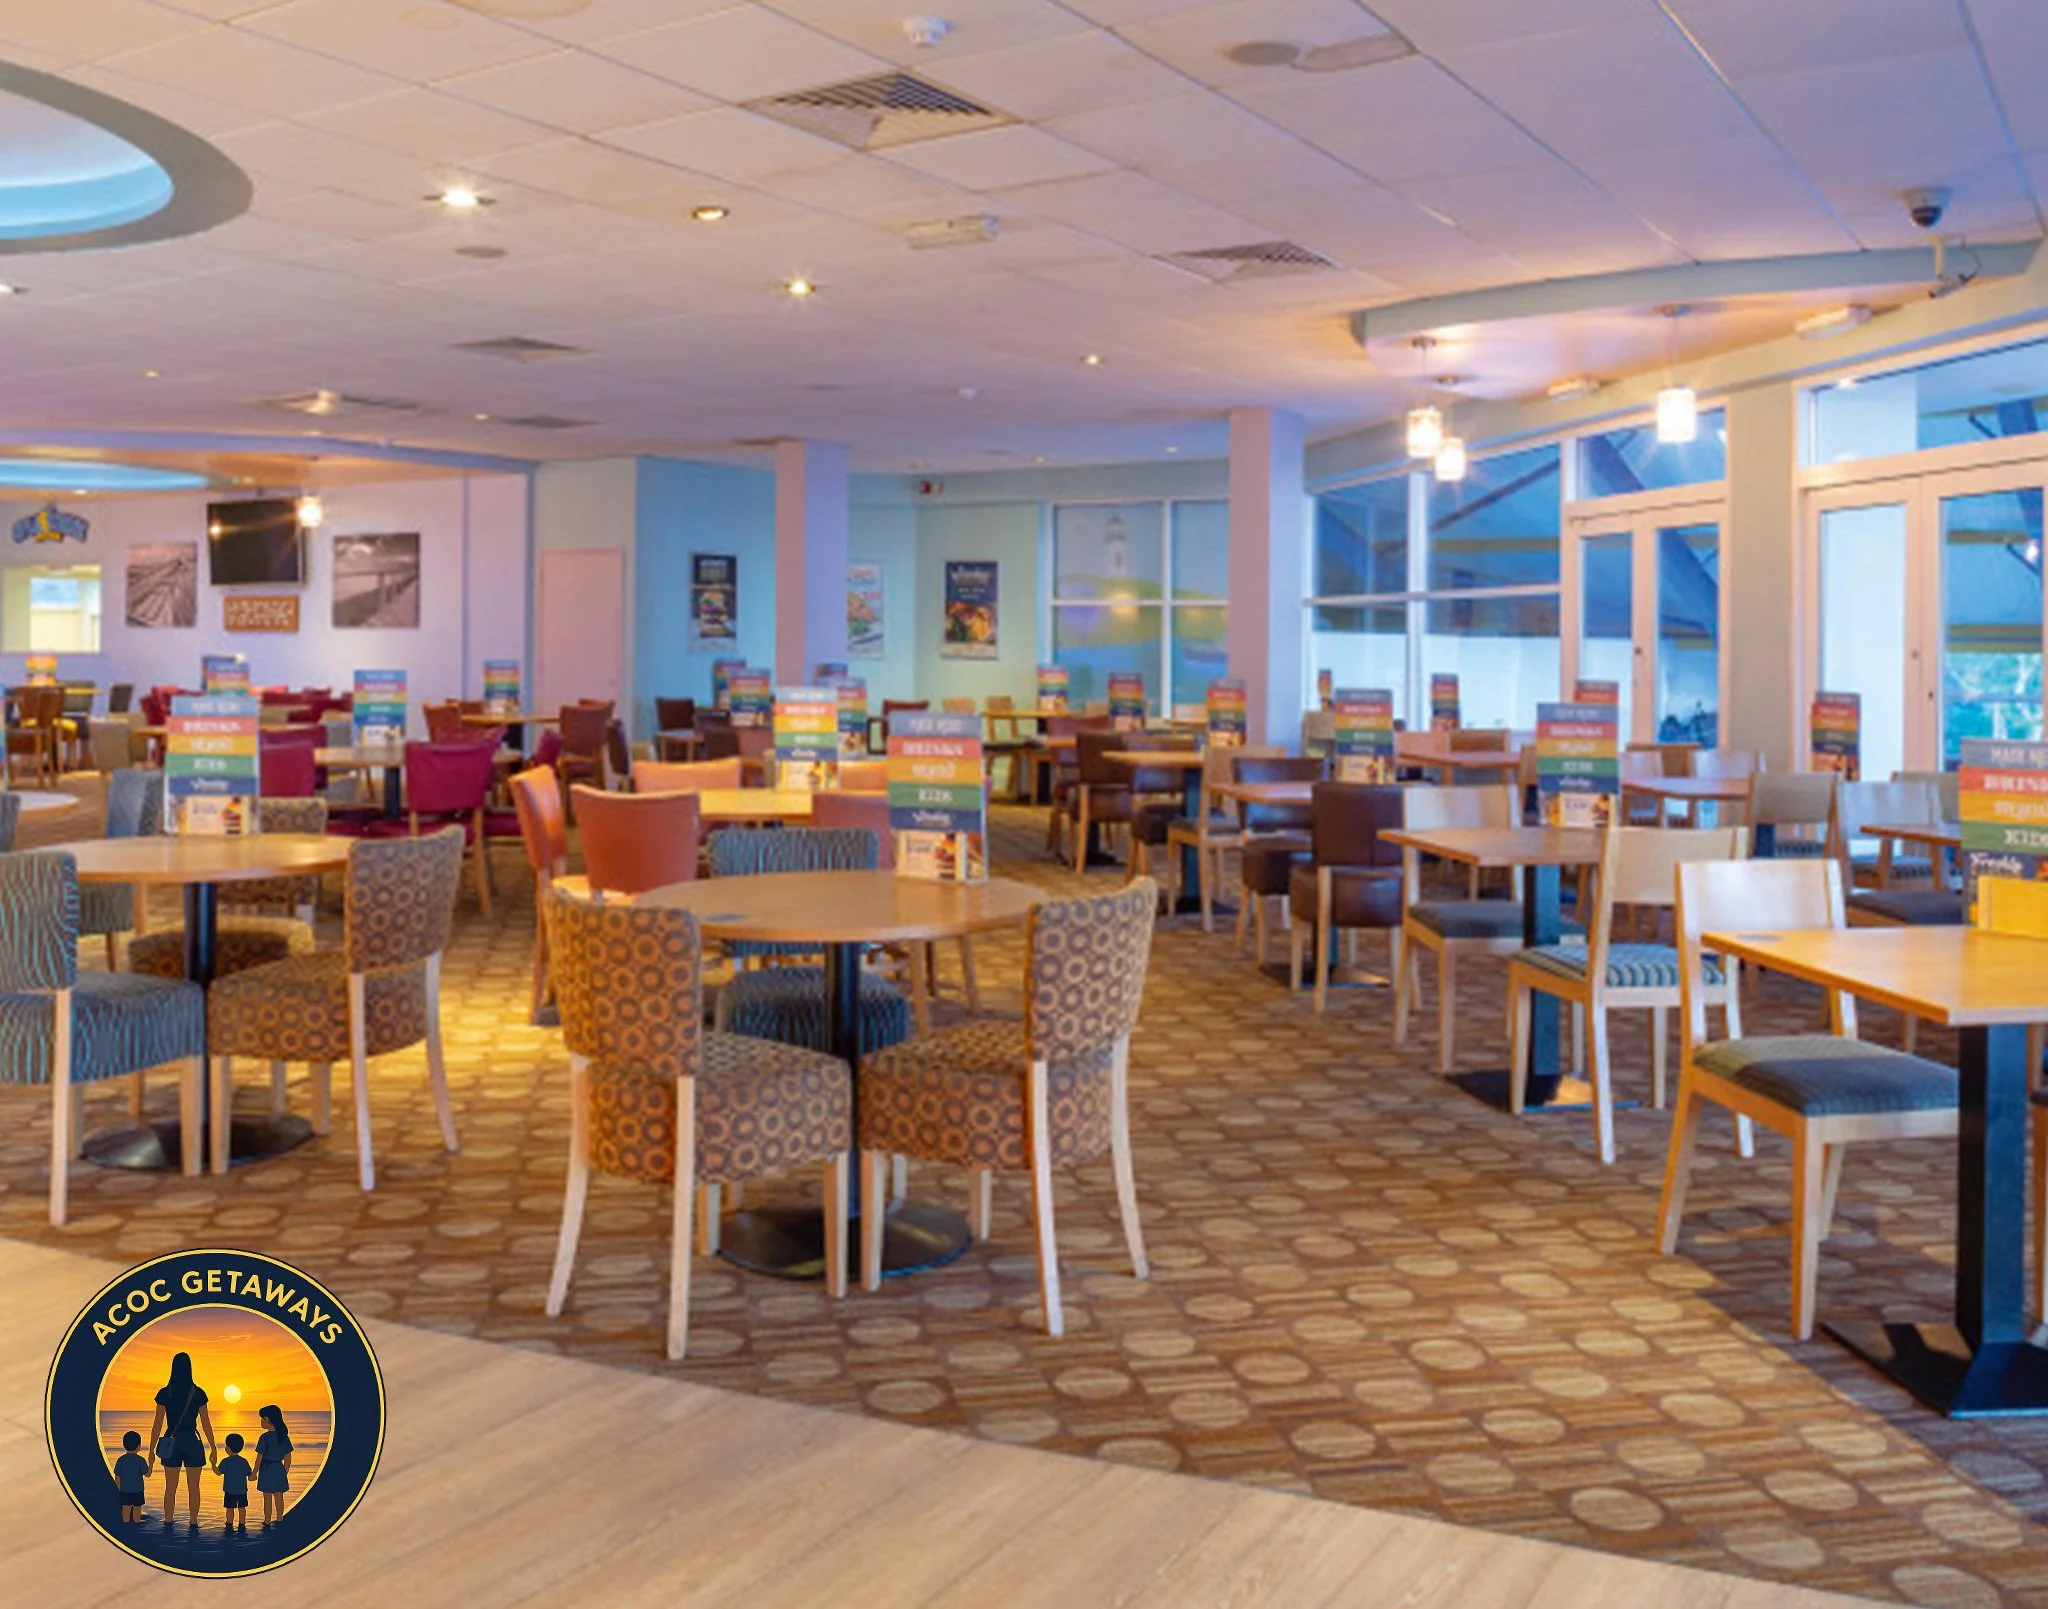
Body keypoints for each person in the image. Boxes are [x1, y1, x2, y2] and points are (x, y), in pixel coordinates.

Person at [144, 1351, 214, 1528]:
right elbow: (206, 1423)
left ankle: (168, 1520)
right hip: (192, 1441)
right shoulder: (198, 1393)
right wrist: (213, 1446)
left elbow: (157, 1424)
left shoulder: (164, 1393)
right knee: (194, 1487)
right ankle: (193, 1522)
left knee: (170, 1487)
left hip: (171, 1442)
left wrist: (151, 1450)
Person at [253, 1406, 292, 1524]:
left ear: (267, 1419)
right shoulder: (283, 1437)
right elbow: (288, 1457)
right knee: (279, 1497)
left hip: (267, 1469)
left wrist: (254, 1473)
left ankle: (267, 1520)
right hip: (279, 1468)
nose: (261, 1421)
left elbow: (259, 1457)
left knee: (267, 1498)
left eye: (262, 1419)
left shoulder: (265, 1438)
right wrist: (284, 1471)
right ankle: (280, 1518)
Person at [215, 1433, 252, 1532]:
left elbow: (218, 1472)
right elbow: (249, 1473)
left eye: (226, 1446)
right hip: (242, 1490)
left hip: (229, 1491)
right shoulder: (244, 1461)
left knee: (230, 1508)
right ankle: (242, 1523)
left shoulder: (225, 1461)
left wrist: (213, 1464)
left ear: (229, 1448)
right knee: (242, 1507)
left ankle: (229, 1523)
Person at [112, 1430, 147, 1525]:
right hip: (138, 1490)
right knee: (137, 1507)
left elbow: (117, 1476)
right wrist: (150, 1465)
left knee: (126, 1507)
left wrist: (118, 1489)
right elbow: (146, 1473)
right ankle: (137, 1520)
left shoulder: (121, 1460)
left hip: (125, 1490)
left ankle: (125, 1521)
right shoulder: (140, 1460)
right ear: (139, 1446)